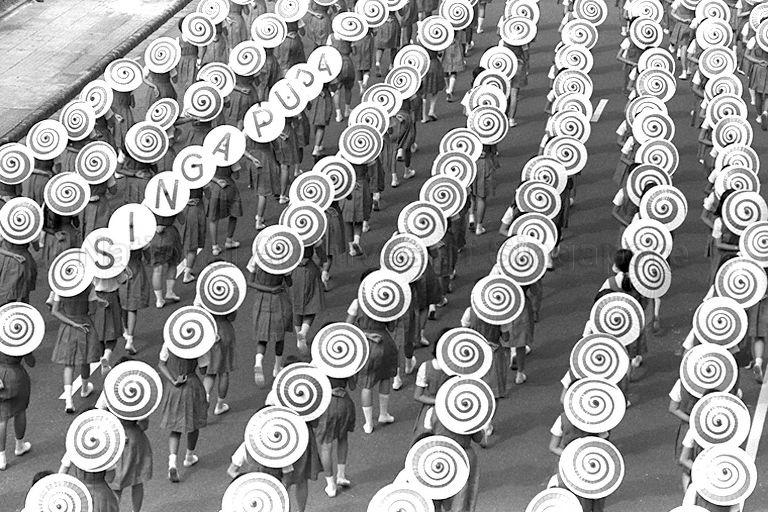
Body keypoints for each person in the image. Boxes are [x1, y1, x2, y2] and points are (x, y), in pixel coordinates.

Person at [346, 269, 399, 434]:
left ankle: (368, 423)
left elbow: (347, 327)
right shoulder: (387, 301)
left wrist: (365, 334)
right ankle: (383, 414)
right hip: (386, 343)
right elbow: (391, 327)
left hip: (366, 346)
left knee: (366, 384)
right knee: (385, 379)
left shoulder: (357, 302)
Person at [98, 358, 153, 512]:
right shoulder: (139, 394)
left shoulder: (109, 392)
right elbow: (144, 425)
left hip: (116, 439)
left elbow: (101, 414)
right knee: (138, 480)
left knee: (116, 484)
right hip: (136, 440)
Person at [51, 286, 108, 413]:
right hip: (84, 324)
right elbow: (92, 310)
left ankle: (69, 401)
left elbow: (55, 311)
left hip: (68, 327)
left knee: (69, 364)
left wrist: (72, 323)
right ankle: (84, 389)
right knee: (85, 359)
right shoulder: (88, 288)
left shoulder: (60, 288)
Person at [157, 342, 207, 483]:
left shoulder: (168, 343)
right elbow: (204, 370)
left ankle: (172, 462)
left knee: (175, 428)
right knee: (194, 424)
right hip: (192, 385)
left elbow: (161, 364)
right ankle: (189, 456)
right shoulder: (198, 344)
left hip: (174, 389)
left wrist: (173, 380)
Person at [246, 259, 293, 387]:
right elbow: (289, 283)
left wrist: (266, 288)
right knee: (280, 336)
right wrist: (274, 287)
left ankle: (258, 360)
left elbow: (250, 282)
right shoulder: (283, 259)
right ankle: (277, 367)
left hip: (261, 300)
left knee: (262, 336)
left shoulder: (257, 257)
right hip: (278, 299)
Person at [315, 374, 356, 497]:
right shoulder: (346, 364)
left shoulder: (318, 363)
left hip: (326, 404)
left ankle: (330, 484)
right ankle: (341, 475)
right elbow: (353, 386)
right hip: (345, 403)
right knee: (343, 438)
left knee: (326, 446)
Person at [0, 349, 34, 471]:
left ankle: (1, 457)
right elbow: (31, 363)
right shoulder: (22, 342)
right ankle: (19, 446)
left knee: (1, 419)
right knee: (20, 411)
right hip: (18, 376)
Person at [412, 340, 449, 445]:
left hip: (430, 408)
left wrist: (436, 401)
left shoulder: (426, 367)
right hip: (453, 409)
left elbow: (418, 396)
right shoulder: (459, 371)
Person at [290, 246, 325, 353]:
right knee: (312, 304)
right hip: (310, 270)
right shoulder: (311, 236)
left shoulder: (289, 237)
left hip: (293, 271)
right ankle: (303, 332)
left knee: (295, 305)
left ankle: (298, 336)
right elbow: (322, 257)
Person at [144, 215, 182, 309]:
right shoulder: (175, 201)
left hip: (154, 237)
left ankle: (159, 299)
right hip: (171, 235)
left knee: (157, 269)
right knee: (172, 264)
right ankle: (170, 291)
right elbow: (182, 220)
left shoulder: (149, 202)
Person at [202, 311, 235, 416]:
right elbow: (231, 317)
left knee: (210, 371)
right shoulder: (228, 298)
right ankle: (219, 406)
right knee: (224, 372)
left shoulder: (203, 297)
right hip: (225, 331)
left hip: (208, 331)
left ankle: (206, 396)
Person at [207, 164, 243, 255]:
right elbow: (237, 176)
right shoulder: (232, 158)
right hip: (229, 187)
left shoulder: (210, 157)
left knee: (213, 218)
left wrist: (217, 180)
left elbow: (205, 174)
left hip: (214, 188)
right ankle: (229, 240)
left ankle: (215, 247)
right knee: (234, 213)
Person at [119, 250, 150, 355]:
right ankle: (130, 340)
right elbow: (148, 256)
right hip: (136, 270)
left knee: (123, 303)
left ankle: (126, 330)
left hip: (120, 269)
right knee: (133, 307)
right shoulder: (138, 236)